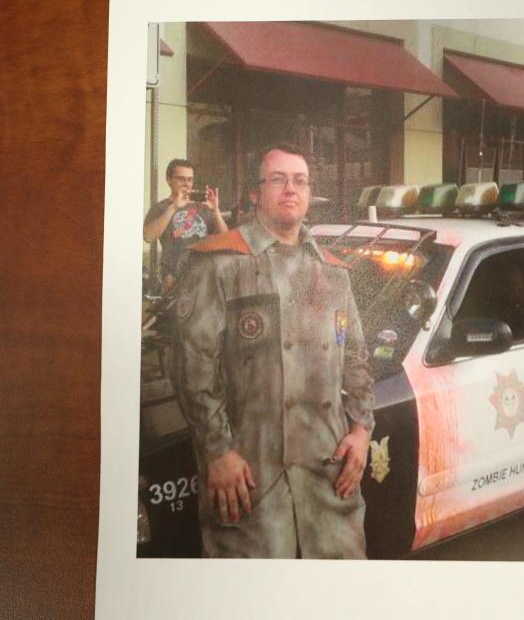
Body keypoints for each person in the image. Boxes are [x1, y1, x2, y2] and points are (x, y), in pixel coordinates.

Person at [173, 143, 375, 559]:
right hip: (252, 479)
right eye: (278, 179)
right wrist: (218, 452)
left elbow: (355, 358)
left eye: (300, 180)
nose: (290, 189)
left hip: (328, 478)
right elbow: (191, 368)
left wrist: (362, 430)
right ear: (254, 193)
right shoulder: (220, 264)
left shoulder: (333, 272)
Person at [143, 159, 228, 293]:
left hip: (204, 275)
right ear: (169, 180)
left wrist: (216, 211)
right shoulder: (161, 208)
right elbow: (148, 236)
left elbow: (224, 238)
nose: (186, 184)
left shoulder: (203, 207)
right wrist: (173, 207)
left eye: (190, 179)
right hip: (174, 278)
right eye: (181, 179)